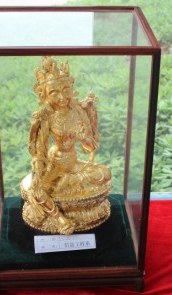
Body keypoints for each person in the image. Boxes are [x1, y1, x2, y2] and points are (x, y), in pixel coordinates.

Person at [20, 56, 112, 235]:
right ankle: (58, 218)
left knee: (105, 173)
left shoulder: (77, 111)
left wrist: (85, 136)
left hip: (74, 164)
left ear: (71, 88)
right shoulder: (46, 117)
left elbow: (89, 147)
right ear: (44, 95)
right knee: (37, 190)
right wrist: (38, 166)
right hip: (55, 164)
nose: (62, 97)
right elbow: (40, 150)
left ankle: (67, 183)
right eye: (54, 92)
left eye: (65, 90)